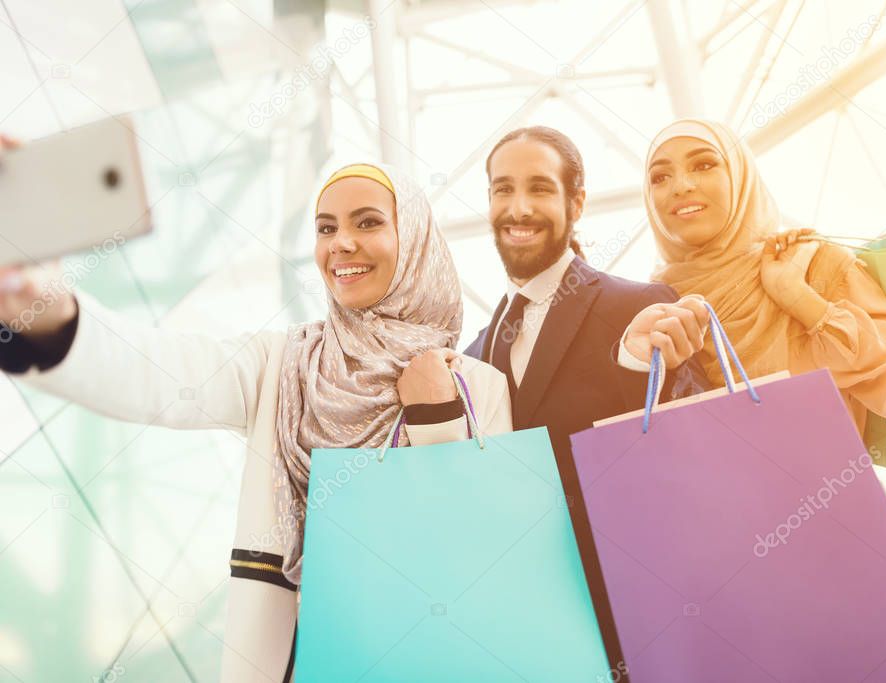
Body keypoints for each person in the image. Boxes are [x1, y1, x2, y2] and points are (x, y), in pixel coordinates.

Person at [0, 151, 512, 682]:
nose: (340, 243)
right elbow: (163, 374)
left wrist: (437, 416)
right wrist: (48, 308)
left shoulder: (477, 388)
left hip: (433, 658)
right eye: (325, 227)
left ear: (417, 242)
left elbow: (486, 548)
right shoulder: (284, 365)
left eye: (369, 222)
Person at [464, 125, 711, 671]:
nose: (519, 207)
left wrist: (635, 368)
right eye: (503, 189)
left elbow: (691, 462)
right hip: (533, 637)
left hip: (643, 628)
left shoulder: (641, 307)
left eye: (540, 188)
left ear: (576, 202)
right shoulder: (472, 358)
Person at [641, 118, 886, 434]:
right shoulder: (650, 311)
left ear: (741, 176)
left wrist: (800, 300)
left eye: (705, 164)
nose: (681, 186)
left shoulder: (807, 265)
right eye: (660, 176)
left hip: (826, 483)